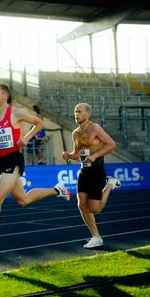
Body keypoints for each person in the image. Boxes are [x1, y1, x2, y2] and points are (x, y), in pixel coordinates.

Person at [0, 82, 71, 258]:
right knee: (23, 200)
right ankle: (57, 190)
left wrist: (26, 137)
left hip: (14, 160)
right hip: (0, 161)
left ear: (5, 95)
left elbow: (39, 123)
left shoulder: (17, 113)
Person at [62, 103, 121, 249]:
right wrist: (68, 155)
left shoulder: (95, 128)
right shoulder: (75, 133)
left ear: (87, 114)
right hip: (84, 171)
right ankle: (96, 237)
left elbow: (111, 144)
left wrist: (94, 156)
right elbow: (77, 153)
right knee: (82, 205)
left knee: (95, 209)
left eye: (79, 111)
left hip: (96, 170)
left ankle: (109, 185)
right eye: (75, 111)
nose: (76, 114)